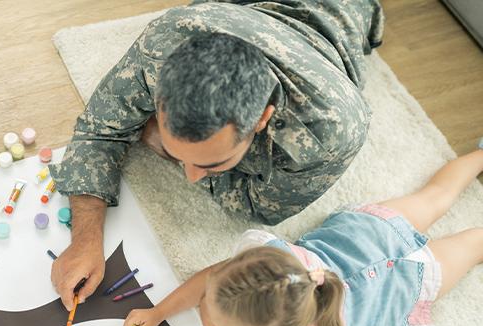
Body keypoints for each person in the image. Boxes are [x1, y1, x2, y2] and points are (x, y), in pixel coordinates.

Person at [50, 0, 384, 310]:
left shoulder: (329, 134)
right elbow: (99, 128)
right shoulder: (168, 40)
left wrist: (153, 139)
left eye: (211, 163)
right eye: (176, 151)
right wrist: (85, 239)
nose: (191, 176)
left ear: (262, 120)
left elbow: (259, 207)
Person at [122, 147, 483, 326]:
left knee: (471, 241)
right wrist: (159, 312)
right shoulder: (269, 258)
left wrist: (210, 323)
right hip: (369, 233)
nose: (206, 300)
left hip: (404, 286)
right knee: (438, 196)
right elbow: (209, 280)